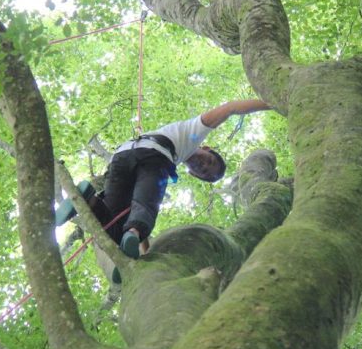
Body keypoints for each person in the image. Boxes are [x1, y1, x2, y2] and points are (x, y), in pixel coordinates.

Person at [56, 99, 272, 280]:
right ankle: (132, 230)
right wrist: (272, 103)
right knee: (147, 204)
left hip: (121, 159)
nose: (203, 167)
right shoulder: (192, 133)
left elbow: (139, 201)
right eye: (209, 162)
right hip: (154, 155)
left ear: (193, 175)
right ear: (207, 149)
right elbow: (230, 108)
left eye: (204, 173)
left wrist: (145, 255)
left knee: (112, 227)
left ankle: (89, 199)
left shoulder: (176, 153)